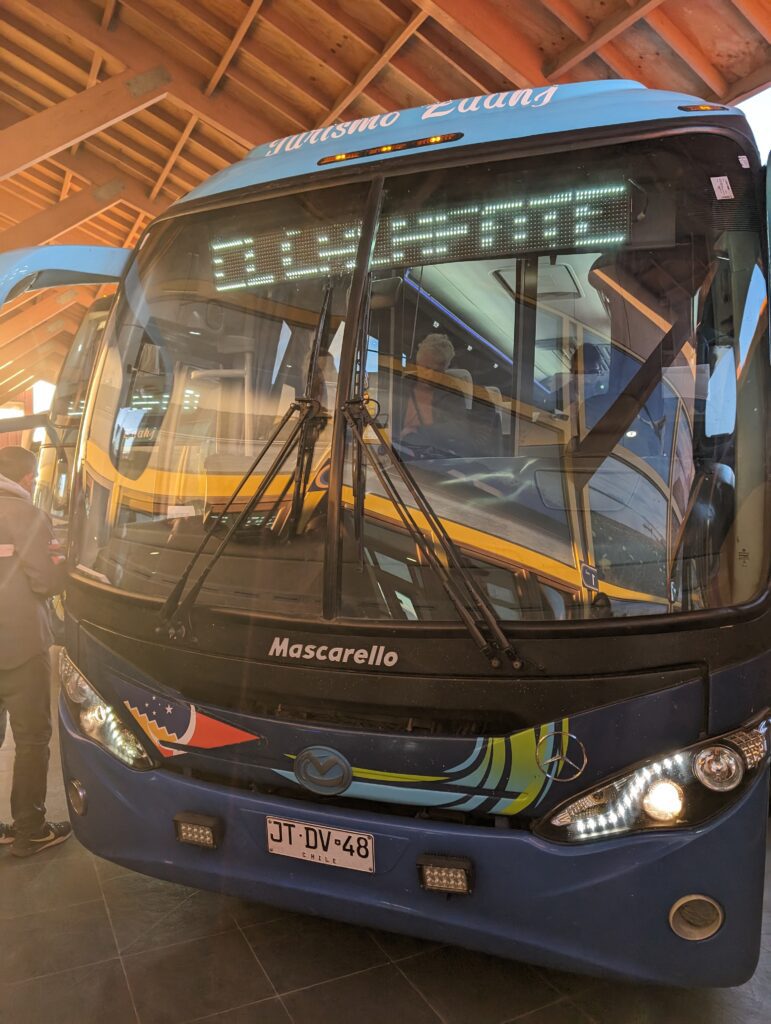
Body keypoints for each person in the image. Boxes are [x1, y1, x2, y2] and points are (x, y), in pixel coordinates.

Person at [0, 445, 71, 857]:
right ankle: (30, 828)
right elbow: (46, 580)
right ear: (28, 478)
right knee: (30, 737)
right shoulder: (25, 513)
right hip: (19, 644)